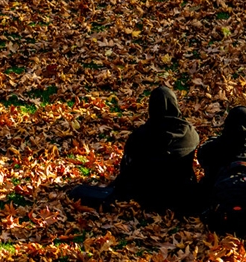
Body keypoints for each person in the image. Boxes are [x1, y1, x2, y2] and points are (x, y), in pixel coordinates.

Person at [69, 86, 199, 214]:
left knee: (78, 192)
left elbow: (127, 169)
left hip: (145, 196)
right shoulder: (190, 135)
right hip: (181, 196)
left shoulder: (140, 136)